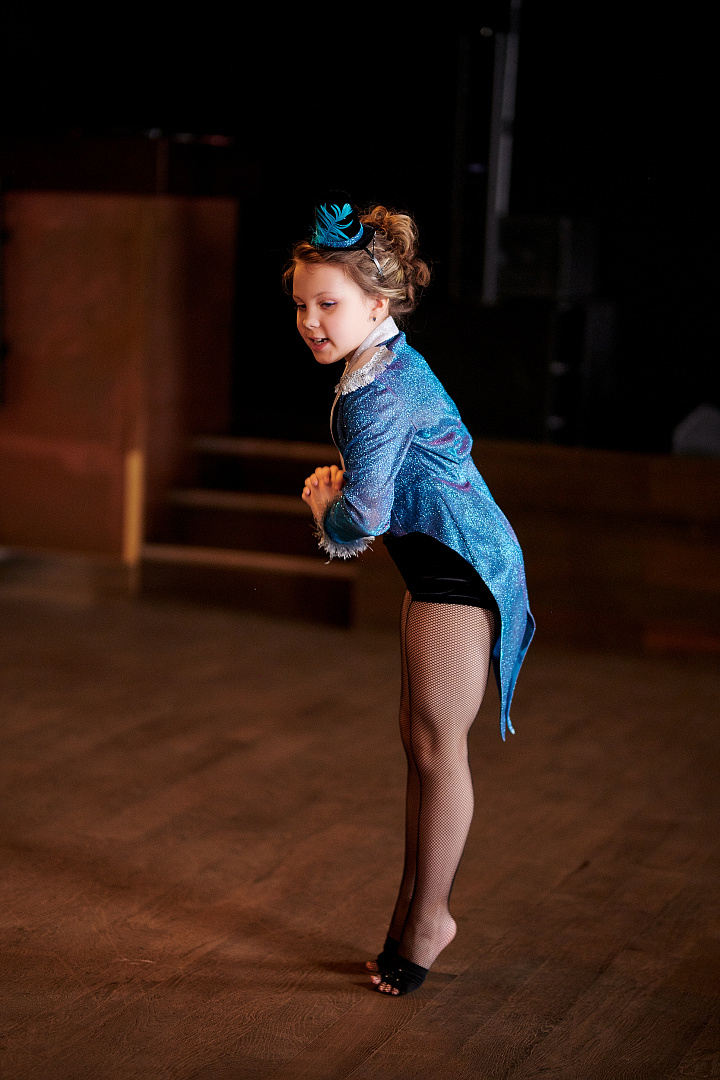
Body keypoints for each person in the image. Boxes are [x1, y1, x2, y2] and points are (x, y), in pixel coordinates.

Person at [284, 193, 534, 996]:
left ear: (377, 304)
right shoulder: (378, 366)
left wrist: (326, 507)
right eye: (302, 305)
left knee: (436, 748)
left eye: (328, 304)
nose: (311, 321)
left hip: (459, 568)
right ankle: (408, 914)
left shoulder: (377, 392)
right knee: (421, 747)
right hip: (437, 564)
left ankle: (430, 921)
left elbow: (365, 517)